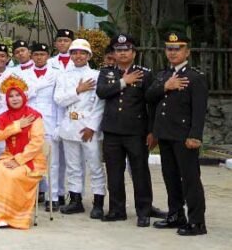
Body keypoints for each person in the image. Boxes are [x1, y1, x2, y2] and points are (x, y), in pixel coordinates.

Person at [147, 32, 208, 236]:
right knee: (170, 177)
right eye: (169, 49)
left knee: (190, 179)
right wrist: (166, 86)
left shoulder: (195, 77)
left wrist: (195, 135)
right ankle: (175, 215)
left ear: (187, 52)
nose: (173, 52)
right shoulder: (163, 75)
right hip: (165, 134)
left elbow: (199, 110)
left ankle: (197, 222)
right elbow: (149, 96)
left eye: (178, 48)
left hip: (184, 136)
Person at [96, 33, 158, 226]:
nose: (122, 53)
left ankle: (144, 211)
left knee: (140, 172)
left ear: (134, 52)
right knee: (114, 172)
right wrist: (124, 81)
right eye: (118, 50)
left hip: (136, 131)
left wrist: (152, 131)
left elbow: (151, 103)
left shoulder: (145, 73)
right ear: (113, 53)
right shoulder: (106, 72)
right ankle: (117, 210)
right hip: (112, 130)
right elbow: (101, 92)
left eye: (126, 50)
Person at [0, 74, 46, 230]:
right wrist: (17, 125)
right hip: (9, 155)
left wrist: (19, 160)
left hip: (31, 159)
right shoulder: (4, 117)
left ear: (24, 96)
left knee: (13, 175)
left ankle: (8, 217)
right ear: (6, 99)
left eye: (18, 95)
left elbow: (37, 143)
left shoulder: (34, 116)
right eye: (11, 96)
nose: (15, 99)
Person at [55, 38, 105, 218]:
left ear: (89, 56)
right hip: (70, 125)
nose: (78, 56)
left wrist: (92, 126)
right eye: (74, 53)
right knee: (73, 166)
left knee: (95, 165)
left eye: (82, 53)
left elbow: (100, 104)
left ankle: (98, 202)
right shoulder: (63, 76)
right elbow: (59, 99)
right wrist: (78, 90)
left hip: (89, 126)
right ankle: (76, 200)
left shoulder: (97, 75)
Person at [24, 42, 64, 209]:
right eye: (36, 54)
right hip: (29, 122)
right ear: (31, 56)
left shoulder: (57, 74)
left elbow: (59, 102)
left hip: (49, 121)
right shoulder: (24, 74)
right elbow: (22, 96)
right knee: (29, 160)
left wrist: (59, 125)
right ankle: (30, 196)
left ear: (48, 56)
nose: (39, 57)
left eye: (42, 54)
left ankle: (53, 197)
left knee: (52, 162)